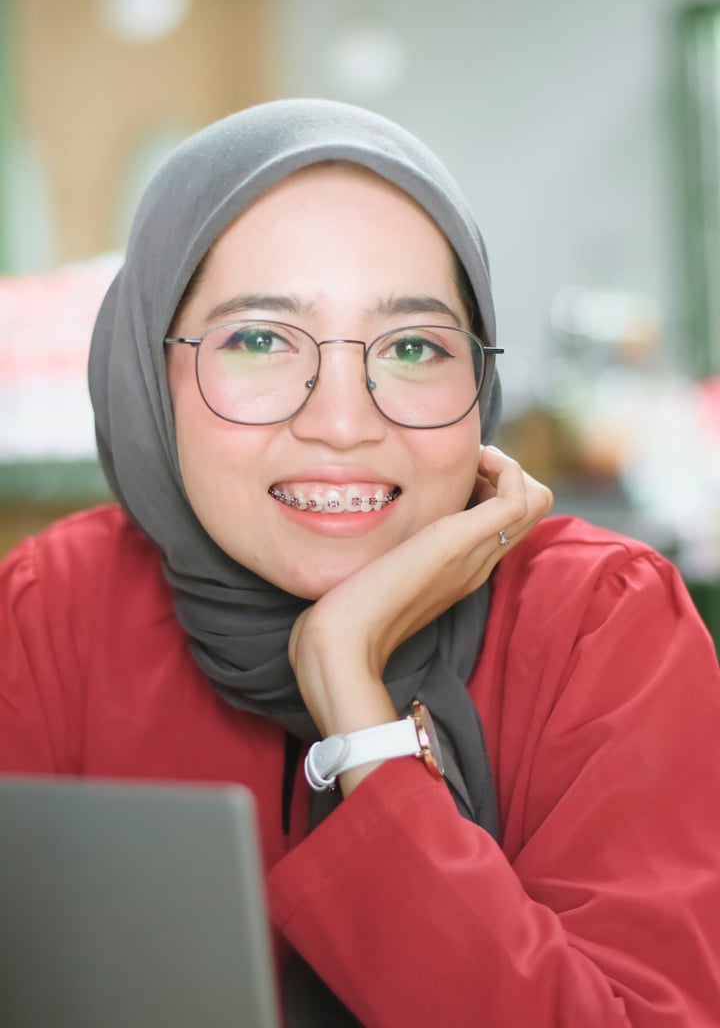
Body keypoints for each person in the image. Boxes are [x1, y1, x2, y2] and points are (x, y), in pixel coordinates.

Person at [1, 98, 719, 1027]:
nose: (343, 422)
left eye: (415, 347)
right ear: (148, 370)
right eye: (258, 339)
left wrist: (356, 705)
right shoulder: (52, 611)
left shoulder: (601, 623)